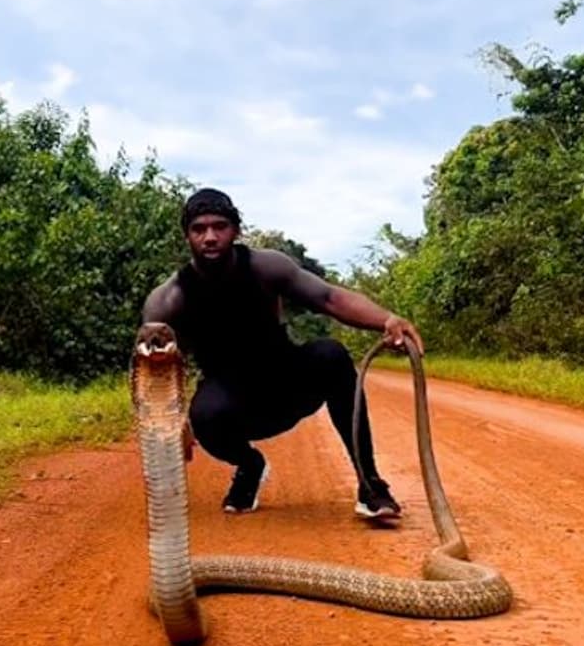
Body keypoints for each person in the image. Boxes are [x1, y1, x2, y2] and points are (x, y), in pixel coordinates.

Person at [141, 188, 423, 516]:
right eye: (199, 229)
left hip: (287, 387)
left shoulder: (266, 267)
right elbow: (152, 366)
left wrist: (387, 319)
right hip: (233, 404)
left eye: (219, 226)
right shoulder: (168, 299)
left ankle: (370, 483)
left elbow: (329, 298)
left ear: (236, 230)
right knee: (203, 415)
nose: (210, 237)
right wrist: (173, 420)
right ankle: (249, 466)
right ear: (187, 235)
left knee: (331, 354)